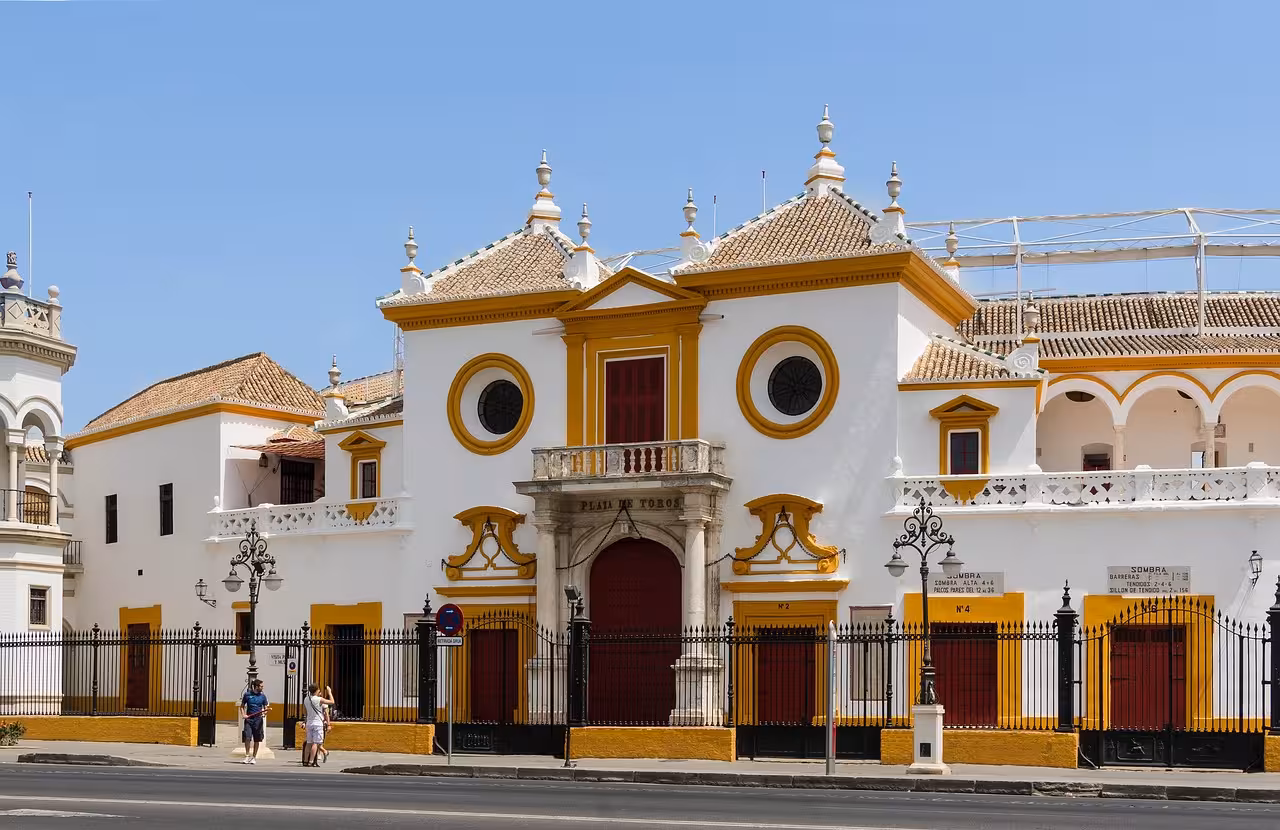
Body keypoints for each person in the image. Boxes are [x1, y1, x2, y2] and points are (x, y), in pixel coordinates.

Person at [301, 683, 334, 767]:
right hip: (318, 723)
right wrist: (329, 692)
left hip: (309, 723)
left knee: (309, 743)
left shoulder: (306, 699)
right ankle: (311, 761)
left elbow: (306, 713)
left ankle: (305, 761)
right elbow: (332, 702)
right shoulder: (319, 699)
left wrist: (305, 722)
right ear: (317, 690)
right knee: (315, 743)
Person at [239, 678, 269, 764]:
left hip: (258, 720)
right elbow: (241, 706)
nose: (263, 688)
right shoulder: (247, 695)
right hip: (249, 719)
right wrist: (244, 714)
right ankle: (247, 756)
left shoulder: (263, 696)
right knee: (247, 738)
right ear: (256, 687)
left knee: (257, 739)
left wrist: (264, 713)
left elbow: (266, 707)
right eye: (261, 686)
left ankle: (254, 757)